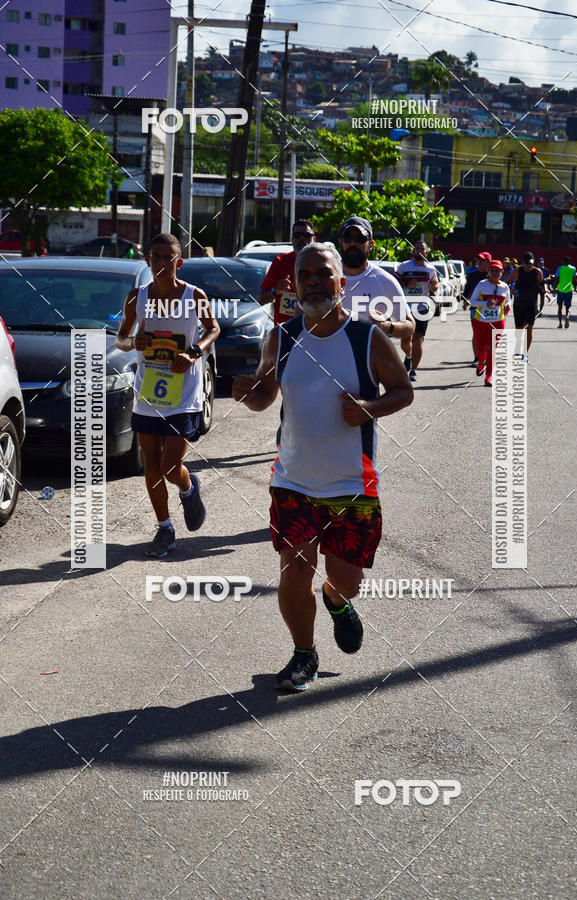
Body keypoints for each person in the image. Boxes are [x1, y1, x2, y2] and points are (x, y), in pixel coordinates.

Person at [232, 243, 413, 691]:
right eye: (305, 274)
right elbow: (264, 398)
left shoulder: (366, 338)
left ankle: (336, 600)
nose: (313, 281)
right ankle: (303, 654)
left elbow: (403, 391)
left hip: (352, 483)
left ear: (341, 283)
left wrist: (369, 408)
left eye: (323, 274)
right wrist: (245, 392)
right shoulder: (281, 336)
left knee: (345, 581)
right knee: (295, 569)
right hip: (292, 479)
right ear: (293, 284)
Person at [116, 233, 220, 557]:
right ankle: (165, 529)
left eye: (168, 257)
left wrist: (193, 352)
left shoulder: (194, 295)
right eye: (156, 257)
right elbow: (120, 338)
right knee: (151, 464)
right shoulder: (137, 298)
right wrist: (135, 342)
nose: (162, 263)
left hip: (184, 393)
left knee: (170, 466)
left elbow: (214, 329)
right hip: (149, 393)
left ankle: (188, 488)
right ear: (148, 261)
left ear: (179, 261)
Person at [337, 215, 415, 363]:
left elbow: (410, 325)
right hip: (328, 364)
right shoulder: (326, 277)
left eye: (360, 239)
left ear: (371, 244)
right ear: (340, 242)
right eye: (348, 238)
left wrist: (386, 326)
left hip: (367, 367)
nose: (353, 243)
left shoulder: (384, 281)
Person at [394, 240, 439, 382]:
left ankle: (413, 370)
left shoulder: (431, 269)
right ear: (414, 251)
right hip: (406, 307)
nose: (420, 250)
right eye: (417, 248)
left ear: (427, 252)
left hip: (422, 307)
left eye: (423, 248)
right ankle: (408, 356)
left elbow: (434, 288)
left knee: (418, 339)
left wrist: (433, 286)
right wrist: (407, 283)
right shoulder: (404, 267)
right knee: (405, 341)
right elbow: (394, 282)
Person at [258, 219, 315, 325]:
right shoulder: (280, 262)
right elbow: (261, 300)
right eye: (297, 235)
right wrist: (276, 292)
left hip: (313, 329)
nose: (302, 239)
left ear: (314, 239)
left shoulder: (321, 263)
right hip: (286, 330)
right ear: (292, 239)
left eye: (307, 235)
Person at [469, 259, 511, 386]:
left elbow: (508, 301)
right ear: (488, 272)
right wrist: (485, 303)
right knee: (481, 349)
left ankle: (488, 376)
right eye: (492, 270)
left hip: (498, 322)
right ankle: (481, 362)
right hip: (481, 321)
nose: (494, 272)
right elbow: (472, 301)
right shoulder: (482, 284)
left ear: (502, 272)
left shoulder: (505, 287)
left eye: (497, 270)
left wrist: (508, 306)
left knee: (492, 349)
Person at [507, 252, 544, 361]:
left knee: (529, 329)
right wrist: (511, 290)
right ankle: (518, 347)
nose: (529, 265)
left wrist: (543, 299)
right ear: (522, 262)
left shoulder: (537, 272)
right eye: (527, 263)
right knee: (518, 330)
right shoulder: (517, 271)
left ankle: (525, 353)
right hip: (519, 304)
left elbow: (542, 285)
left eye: (531, 263)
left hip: (531, 304)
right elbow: (507, 282)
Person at [463, 251, 492, 365]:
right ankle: (477, 358)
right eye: (478, 260)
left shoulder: (492, 275)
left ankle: (487, 355)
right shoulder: (472, 275)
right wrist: (465, 302)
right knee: (477, 333)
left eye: (482, 260)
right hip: (475, 308)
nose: (479, 262)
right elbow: (467, 291)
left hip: (490, 309)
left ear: (488, 262)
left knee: (489, 333)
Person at [553, 255, 577, 329]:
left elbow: (557, 280)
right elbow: (574, 280)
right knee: (568, 307)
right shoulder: (573, 268)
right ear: (569, 262)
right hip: (569, 290)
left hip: (561, 290)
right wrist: (575, 286)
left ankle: (560, 323)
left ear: (563, 261)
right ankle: (567, 316)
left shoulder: (560, 268)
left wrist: (554, 289)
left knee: (560, 307)